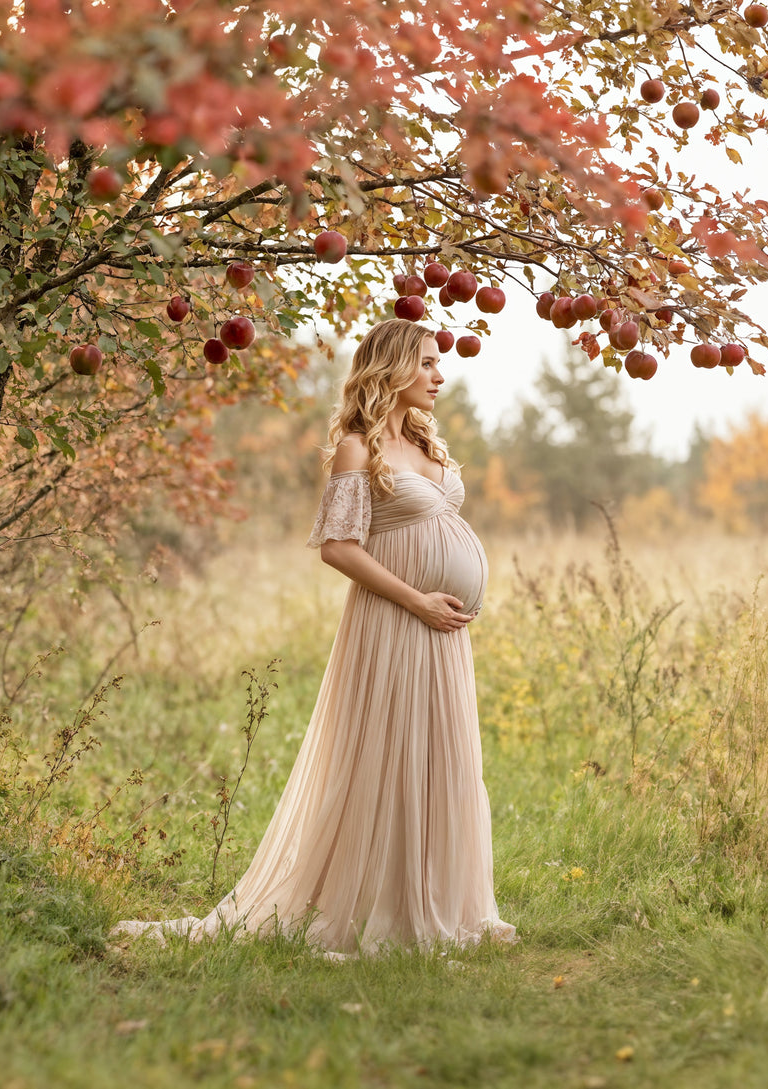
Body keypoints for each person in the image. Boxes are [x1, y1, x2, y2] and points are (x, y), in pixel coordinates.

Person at [111, 318, 516, 957]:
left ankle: (437, 902)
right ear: (392, 369)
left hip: (444, 633)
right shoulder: (359, 449)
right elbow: (337, 547)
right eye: (430, 364)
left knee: (442, 759)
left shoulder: (430, 447)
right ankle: (380, 908)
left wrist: (443, 603)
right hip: (394, 622)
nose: (441, 375)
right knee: (389, 758)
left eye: (441, 364)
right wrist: (417, 599)